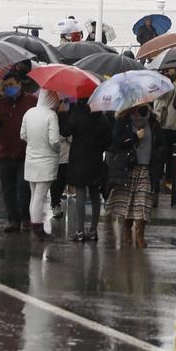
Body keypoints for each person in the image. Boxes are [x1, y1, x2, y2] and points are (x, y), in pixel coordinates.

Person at [104, 103, 160, 246]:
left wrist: (159, 159)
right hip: (128, 168)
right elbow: (115, 142)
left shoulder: (153, 121)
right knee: (128, 203)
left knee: (143, 203)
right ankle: (127, 231)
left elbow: (160, 143)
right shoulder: (123, 121)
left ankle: (140, 234)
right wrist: (134, 137)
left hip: (146, 168)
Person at [0, 73, 37, 232]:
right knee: (7, 189)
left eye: (12, 85)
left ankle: (26, 216)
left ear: (19, 84)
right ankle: (13, 220)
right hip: (5, 153)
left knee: (24, 188)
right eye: (6, 86)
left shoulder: (31, 102)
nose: (9, 88)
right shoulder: (0, 103)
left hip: (25, 153)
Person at [19, 88, 64, 240]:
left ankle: (35, 224)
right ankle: (38, 228)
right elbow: (55, 140)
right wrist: (57, 150)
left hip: (31, 159)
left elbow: (23, 135)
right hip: (47, 160)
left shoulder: (29, 113)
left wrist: (34, 143)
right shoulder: (51, 115)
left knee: (34, 196)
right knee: (40, 195)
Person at [62, 96, 109, 242]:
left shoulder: (77, 114)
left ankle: (80, 231)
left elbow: (65, 131)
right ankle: (93, 230)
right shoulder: (101, 118)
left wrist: (64, 113)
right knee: (95, 195)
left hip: (79, 159)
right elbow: (109, 140)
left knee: (81, 193)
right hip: (95, 159)